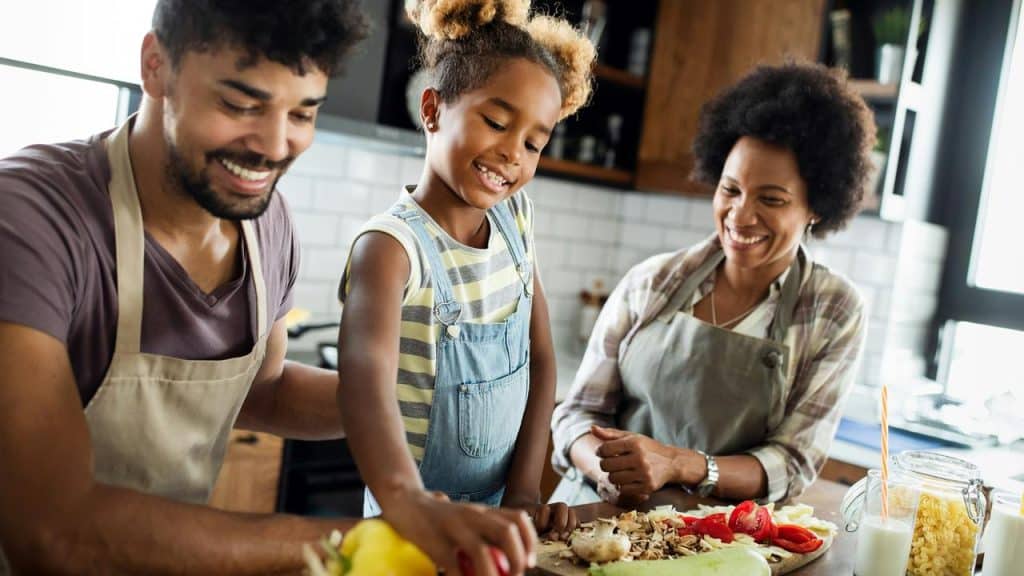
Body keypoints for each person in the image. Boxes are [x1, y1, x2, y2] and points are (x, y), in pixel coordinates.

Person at [0, 1, 371, 574]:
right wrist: (362, 545)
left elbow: (262, 391)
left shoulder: (268, 225)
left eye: (302, 114)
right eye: (241, 103)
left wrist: (397, 397)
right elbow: (50, 528)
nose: (274, 147)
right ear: (156, 66)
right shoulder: (32, 218)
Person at [336, 0, 595, 573]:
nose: (512, 153)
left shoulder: (516, 221)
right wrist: (414, 509)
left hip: (502, 522)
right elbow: (362, 389)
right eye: (497, 123)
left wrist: (525, 495)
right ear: (432, 110)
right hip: (410, 531)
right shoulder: (391, 249)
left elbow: (542, 361)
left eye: (534, 142)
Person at [551, 62, 876, 508]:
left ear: (816, 206)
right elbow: (577, 414)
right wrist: (606, 469)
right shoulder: (652, 281)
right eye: (730, 190)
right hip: (597, 512)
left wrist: (680, 465)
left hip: (714, 540)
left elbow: (792, 460)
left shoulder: (834, 310)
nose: (741, 216)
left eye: (771, 199)